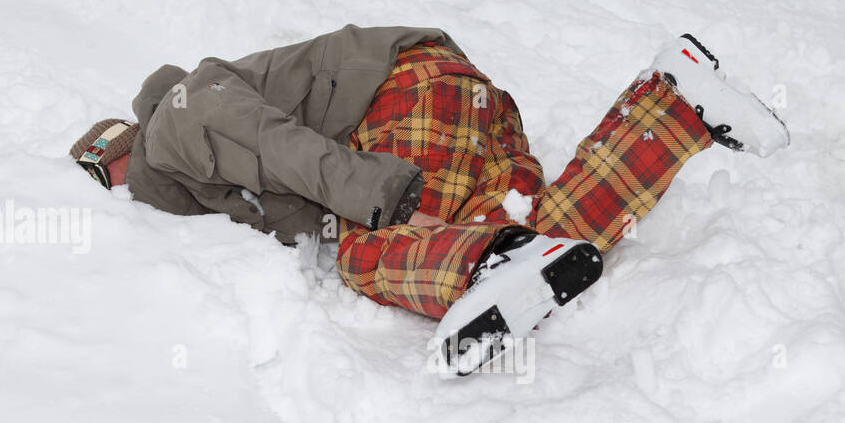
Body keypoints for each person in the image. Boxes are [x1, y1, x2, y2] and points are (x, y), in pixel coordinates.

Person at [70, 24, 788, 375]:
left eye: (107, 181)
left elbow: (282, 148)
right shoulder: (203, 172)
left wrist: (384, 198)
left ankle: (487, 265)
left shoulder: (178, 122)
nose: (120, 198)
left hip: (408, 94)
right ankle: (673, 107)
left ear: (118, 154)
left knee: (367, 249)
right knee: (545, 239)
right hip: (458, 100)